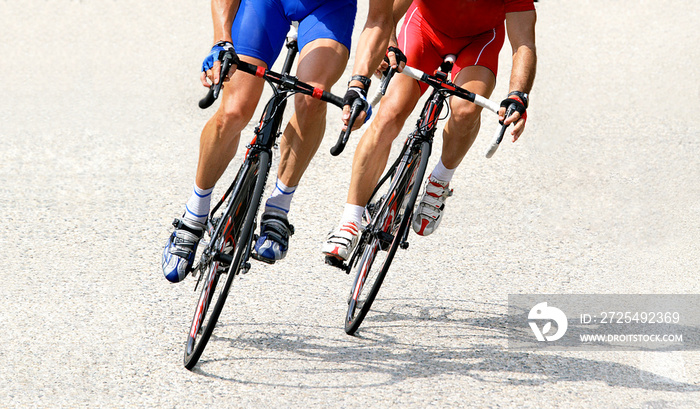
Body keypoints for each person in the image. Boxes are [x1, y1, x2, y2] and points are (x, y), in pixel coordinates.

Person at [163, 0, 394, 283]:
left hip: (327, 8)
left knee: (313, 96)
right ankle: (194, 215)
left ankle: (279, 206)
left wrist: (358, 85)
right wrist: (221, 39)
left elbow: (380, 18)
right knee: (235, 110)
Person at [323, 0, 537, 261]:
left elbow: (524, 43)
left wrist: (518, 95)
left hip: (480, 41)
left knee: (466, 110)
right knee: (390, 113)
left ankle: (440, 180)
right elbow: (387, 14)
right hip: (424, 28)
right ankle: (350, 220)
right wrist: (388, 45)